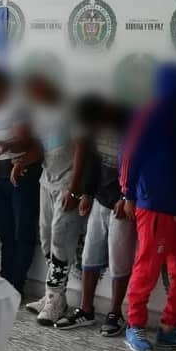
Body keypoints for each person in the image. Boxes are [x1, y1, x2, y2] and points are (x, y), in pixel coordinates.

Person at [117, 64, 176, 351]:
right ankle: (135, 326)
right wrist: (128, 193)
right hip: (153, 204)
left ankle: (170, 328)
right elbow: (129, 153)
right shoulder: (148, 113)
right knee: (147, 269)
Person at [54, 94, 136, 334]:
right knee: (90, 255)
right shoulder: (96, 122)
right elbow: (93, 160)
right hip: (100, 198)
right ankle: (85, 309)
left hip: (122, 203)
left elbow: (138, 164)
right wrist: (88, 193)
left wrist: (126, 197)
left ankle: (115, 314)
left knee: (119, 260)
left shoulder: (132, 123)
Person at [22, 73, 88, 325]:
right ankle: (53, 295)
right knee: (46, 239)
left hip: (66, 184)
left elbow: (82, 148)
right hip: (46, 181)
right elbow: (42, 148)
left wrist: (75, 189)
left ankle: (55, 300)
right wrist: (22, 162)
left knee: (61, 241)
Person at [0, 69, 43, 293]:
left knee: (22, 231)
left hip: (21, 176)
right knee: (5, 232)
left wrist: (8, 145)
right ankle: (5, 280)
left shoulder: (17, 108)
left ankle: (16, 284)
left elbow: (27, 141)